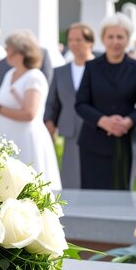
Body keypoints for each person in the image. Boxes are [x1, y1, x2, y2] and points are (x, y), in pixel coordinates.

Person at [75, 13, 136, 190]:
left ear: (128, 39)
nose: (115, 41)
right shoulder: (92, 67)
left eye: (120, 37)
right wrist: (104, 121)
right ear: (103, 39)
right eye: (111, 37)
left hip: (124, 140)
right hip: (93, 142)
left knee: (120, 195)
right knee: (93, 194)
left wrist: (128, 121)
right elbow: (81, 103)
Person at [0, 31, 61, 190]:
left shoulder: (34, 76)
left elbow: (29, 114)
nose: (6, 52)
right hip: (6, 136)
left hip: (25, 139)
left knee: (27, 185)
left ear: (21, 52)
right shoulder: (10, 74)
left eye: (9, 48)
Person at [45, 23, 95, 189]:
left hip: (95, 129)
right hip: (70, 130)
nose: (74, 44)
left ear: (90, 42)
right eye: (71, 40)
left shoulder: (100, 69)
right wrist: (49, 121)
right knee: (70, 175)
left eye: (79, 40)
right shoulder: (61, 71)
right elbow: (52, 102)